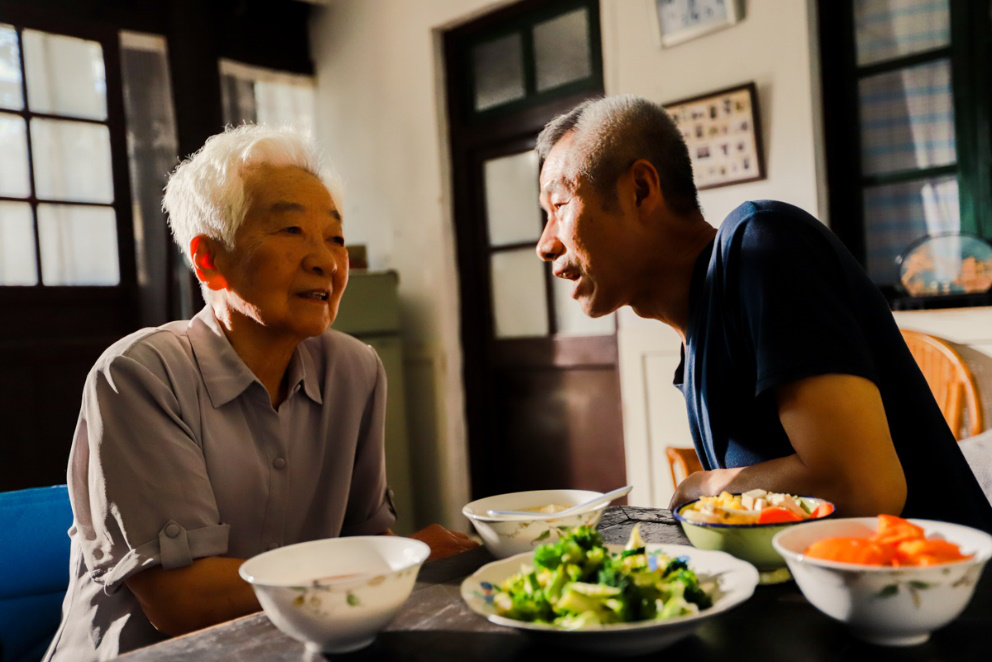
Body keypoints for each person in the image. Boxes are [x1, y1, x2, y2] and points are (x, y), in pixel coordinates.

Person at [45, 125, 475, 661]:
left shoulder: (356, 371)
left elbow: (364, 540)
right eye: (292, 230)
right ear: (209, 260)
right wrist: (401, 557)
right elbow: (183, 601)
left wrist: (390, 557)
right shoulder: (139, 376)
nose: (326, 260)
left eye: (335, 237)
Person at [534, 95, 992, 534]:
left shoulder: (762, 242)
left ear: (640, 189)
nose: (546, 244)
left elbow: (863, 488)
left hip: (944, 599)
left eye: (559, 206)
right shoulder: (698, 338)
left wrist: (703, 486)